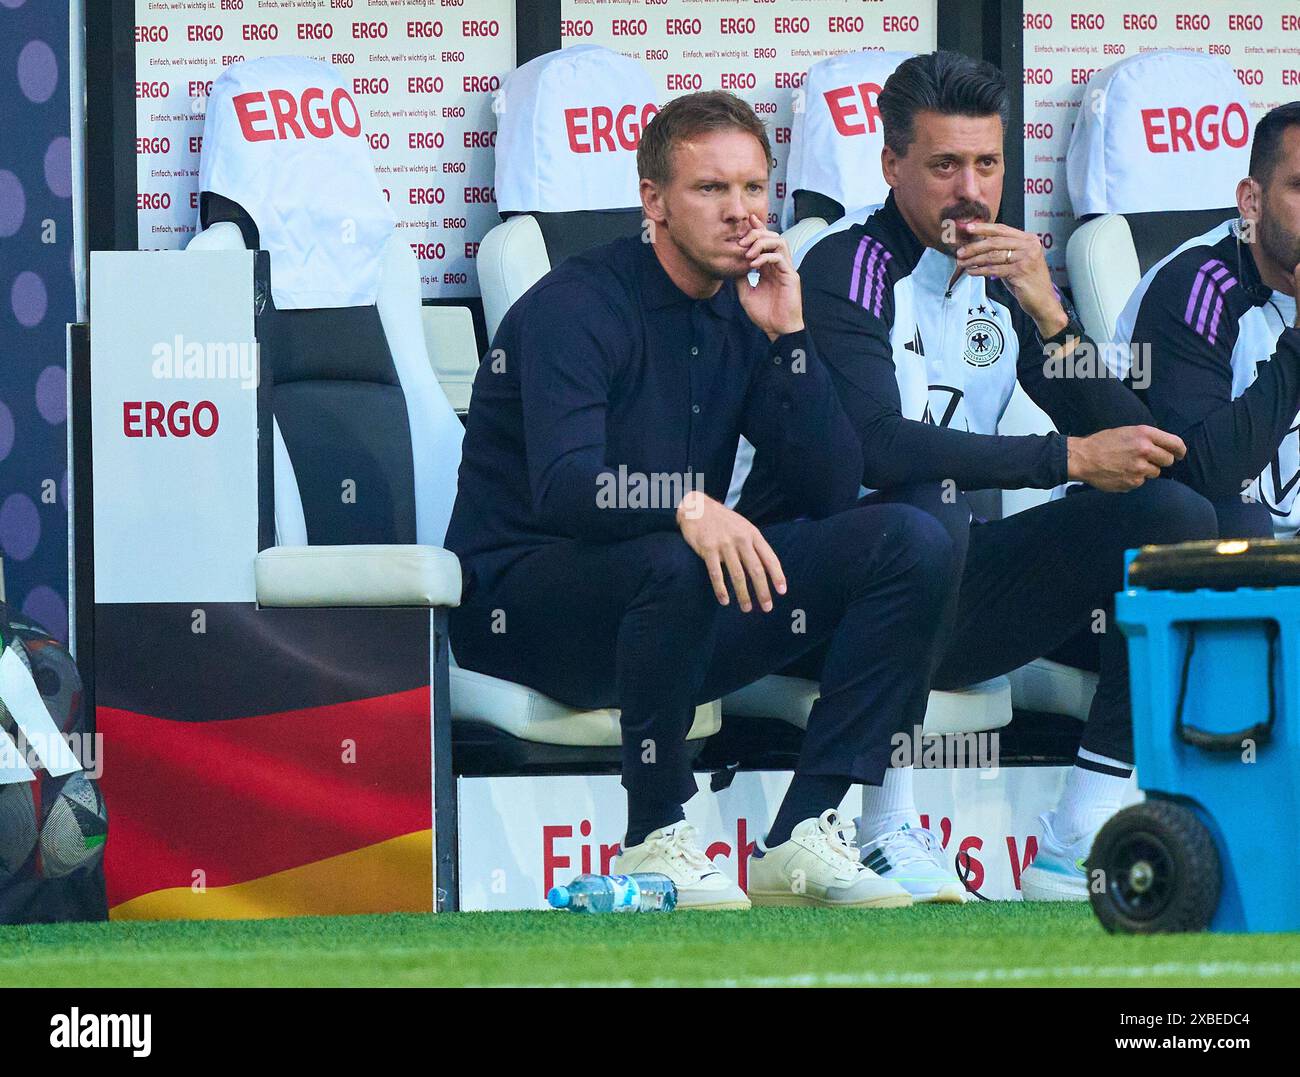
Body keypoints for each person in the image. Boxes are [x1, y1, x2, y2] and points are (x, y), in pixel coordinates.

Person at [445, 91, 957, 910]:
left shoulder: (746, 304)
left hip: (666, 611)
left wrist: (789, 338)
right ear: (654, 201)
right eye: (710, 190)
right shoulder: (575, 306)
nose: (740, 212)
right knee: (680, 555)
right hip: (529, 612)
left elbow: (831, 487)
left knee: (913, 539)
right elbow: (566, 487)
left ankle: (804, 830)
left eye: (755, 190)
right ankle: (656, 835)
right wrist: (687, 503)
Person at [743, 52, 1218, 902]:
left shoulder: (1007, 277)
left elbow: (1139, 441)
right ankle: (885, 825)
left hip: (944, 591)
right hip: (811, 596)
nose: (970, 189)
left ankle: (1079, 840)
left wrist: (1051, 311)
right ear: (892, 167)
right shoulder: (843, 268)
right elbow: (875, 450)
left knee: (1174, 514)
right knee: (924, 504)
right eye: (944, 165)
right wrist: (1066, 462)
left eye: (988, 164)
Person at [1115, 101, 1300, 540]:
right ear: (1251, 201)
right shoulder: (1195, 286)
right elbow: (1200, 476)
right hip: (1164, 545)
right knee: (1239, 519)